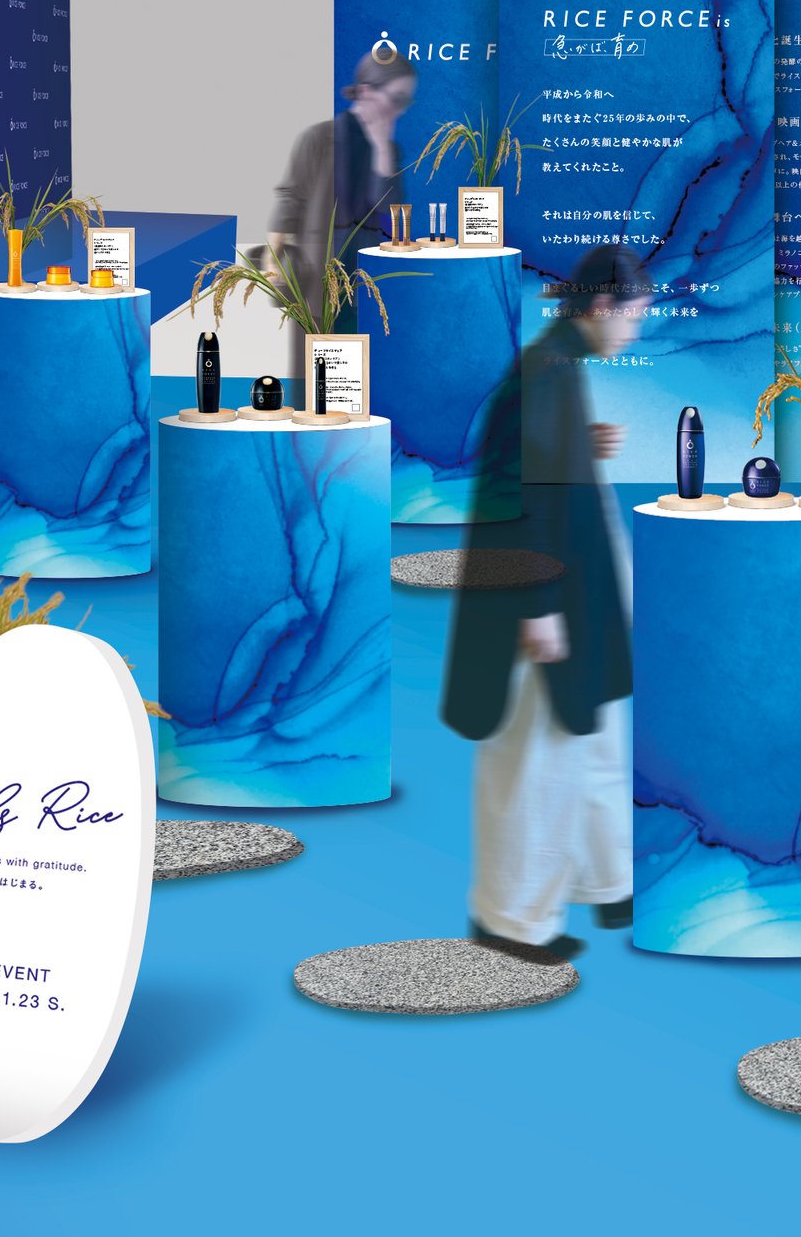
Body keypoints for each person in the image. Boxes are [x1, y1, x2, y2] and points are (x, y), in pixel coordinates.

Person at [441, 244, 650, 962]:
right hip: (541, 598)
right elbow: (509, 494)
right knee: (535, 758)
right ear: (602, 305)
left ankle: (607, 880)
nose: (634, 331)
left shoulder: (559, 366)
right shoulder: (544, 373)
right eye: (633, 315)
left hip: (575, 589)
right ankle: (511, 920)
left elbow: (535, 461)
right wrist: (536, 606)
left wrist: (581, 446)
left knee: (591, 738)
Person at [267, 47, 416, 376]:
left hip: (364, 282)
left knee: (353, 381)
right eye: (397, 99)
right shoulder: (318, 138)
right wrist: (272, 259)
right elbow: (290, 199)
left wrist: (380, 147)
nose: (400, 110)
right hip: (314, 277)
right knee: (312, 376)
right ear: (366, 91)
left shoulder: (390, 151)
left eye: (406, 101)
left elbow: (392, 216)